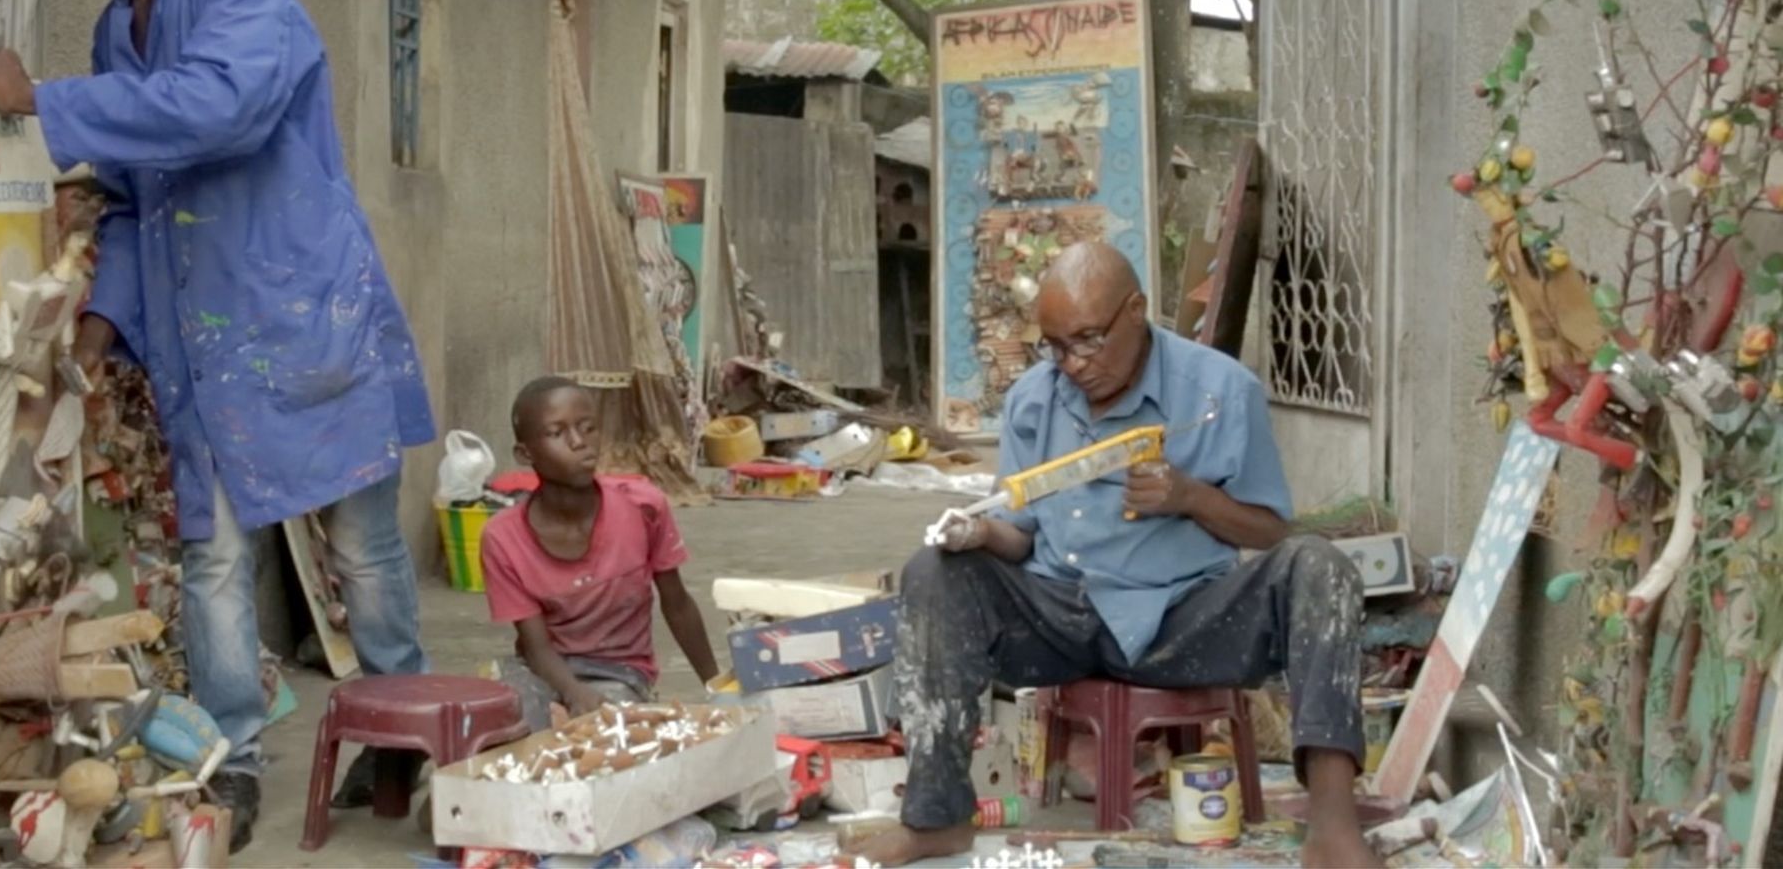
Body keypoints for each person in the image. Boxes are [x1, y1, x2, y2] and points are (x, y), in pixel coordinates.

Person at [0, 0, 434, 850]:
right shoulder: (112, 25)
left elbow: (221, 104)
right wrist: (94, 339)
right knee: (215, 557)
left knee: (361, 544)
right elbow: (134, 197)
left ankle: (400, 729)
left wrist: (45, 102)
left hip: (298, 306)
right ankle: (231, 760)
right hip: (201, 336)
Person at [848, 242, 1379, 869]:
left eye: (1089, 340)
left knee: (1320, 567)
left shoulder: (1219, 390)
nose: (1072, 363)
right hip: (1058, 616)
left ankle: (1334, 829)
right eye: (1056, 346)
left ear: (1136, 311)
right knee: (933, 571)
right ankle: (938, 819)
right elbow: (1019, 533)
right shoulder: (1032, 400)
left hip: (1182, 618)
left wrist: (1189, 497)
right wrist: (980, 534)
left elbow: (1267, 530)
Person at [482, 377, 720, 727]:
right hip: (544, 669)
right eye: (557, 433)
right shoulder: (503, 537)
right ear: (525, 454)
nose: (579, 443)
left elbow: (677, 603)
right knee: (506, 727)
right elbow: (535, 645)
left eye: (587, 428)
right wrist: (572, 692)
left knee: (608, 735)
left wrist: (718, 688)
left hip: (621, 672)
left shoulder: (643, 506)